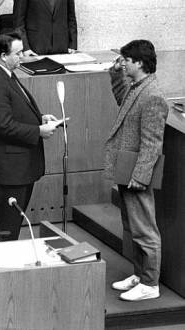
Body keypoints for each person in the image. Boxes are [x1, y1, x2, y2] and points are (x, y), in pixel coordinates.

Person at [0, 32, 59, 240]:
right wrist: (38, 131)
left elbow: (15, 110)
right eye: (18, 52)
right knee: (7, 228)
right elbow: (3, 124)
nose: (22, 56)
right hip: (8, 168)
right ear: (3, 55)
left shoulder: (5, 73)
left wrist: (39, 118)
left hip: (17, 165)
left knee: (12, 225)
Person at [104, 40, 169, 301]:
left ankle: (150, 283)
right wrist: (115, 72)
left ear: (139, 63)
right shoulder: (137, 87)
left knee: (145, 230)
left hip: (135, 171)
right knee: (131, 226)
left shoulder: (153, 95)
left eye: (126, 60)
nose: (124, 63)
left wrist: (140, 177)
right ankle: (140, 275)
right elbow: (122, 100)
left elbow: (153, 144)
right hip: (125, 164)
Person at [13, 0, 77, 56]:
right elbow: (18, 24)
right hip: (35, 49)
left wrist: (72, 45)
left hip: (62, 49)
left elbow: (71, 18)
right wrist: (25, 48)